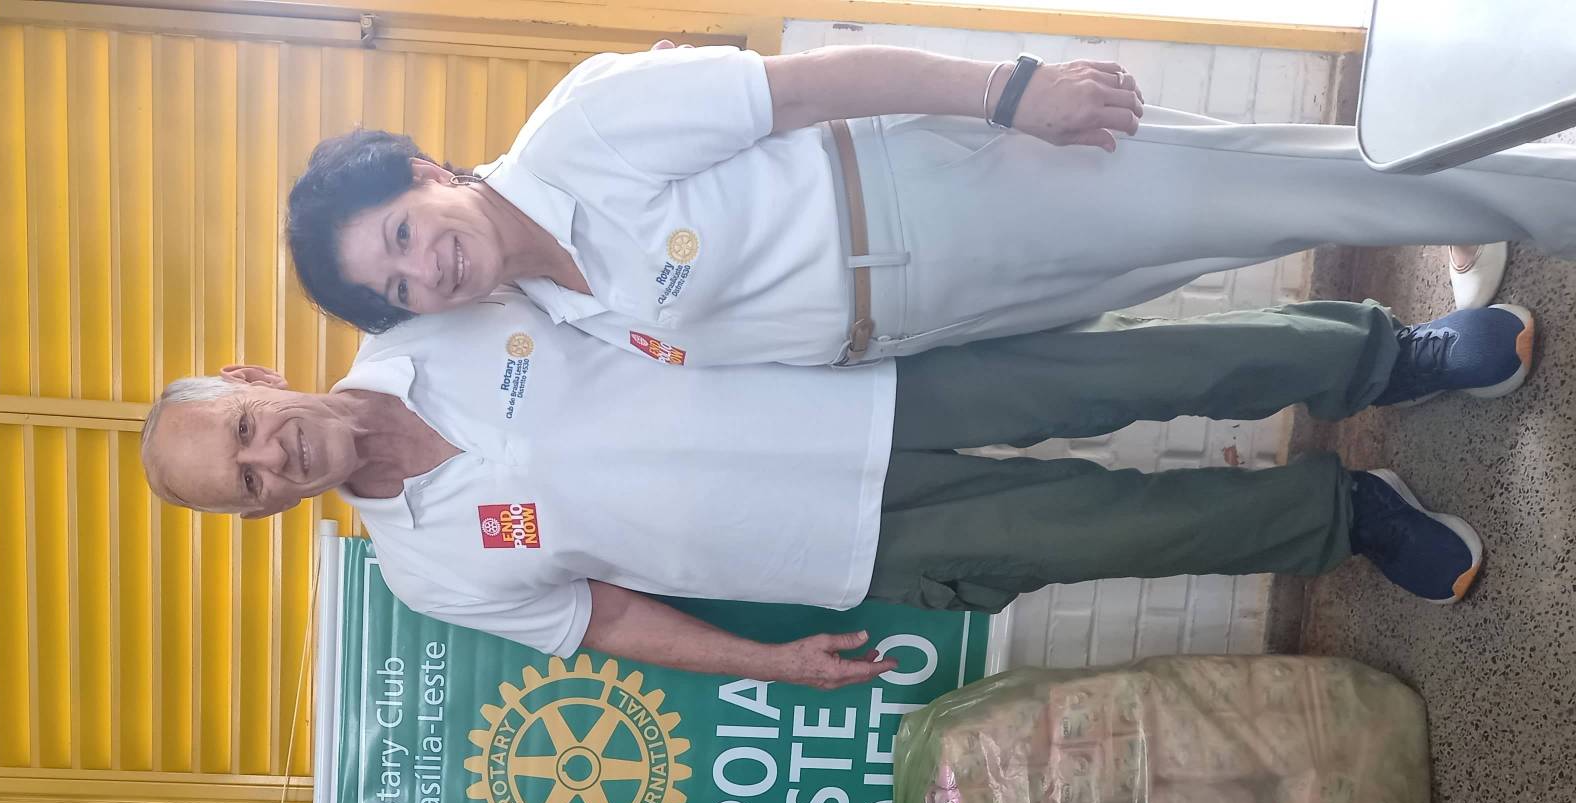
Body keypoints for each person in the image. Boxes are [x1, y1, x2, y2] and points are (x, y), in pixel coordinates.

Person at [138, 290, 1528, 688]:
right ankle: (1348, 517)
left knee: (1133, 370)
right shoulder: (422, 569)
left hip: (865, 380)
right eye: (247, 481)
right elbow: (606, 622)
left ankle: (1390, 353)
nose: (272, 458)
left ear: (255, 370)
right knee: (1127, 530)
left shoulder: (432, 310)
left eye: (249, 426)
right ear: (261, 514)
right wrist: (770, 660)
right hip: (843, 541)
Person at [283, 43, 1566, 368]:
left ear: (427, 174)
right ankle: (1464, 183)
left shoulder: (575, 132)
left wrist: (1011, 93)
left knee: (1249, 188)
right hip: (932, 306)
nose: (425, 269)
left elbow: (800, 89)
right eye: (395, 288)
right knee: (1256, 205)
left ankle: (1538, 188)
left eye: (402, 233)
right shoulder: (557, 315)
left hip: (939, 196)